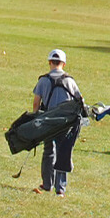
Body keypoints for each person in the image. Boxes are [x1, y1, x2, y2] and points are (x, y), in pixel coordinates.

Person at [32, 49, 83, 197]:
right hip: (65, 123)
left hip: (48, 121)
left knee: (48, 151)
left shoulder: (43, 80)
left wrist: (35, 118)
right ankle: (60, 189)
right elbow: (79, 101)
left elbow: (36, 103)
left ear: (49, 62)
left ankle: (47, 184)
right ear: (64, 64)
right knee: (63, 153)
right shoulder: (70, 81)